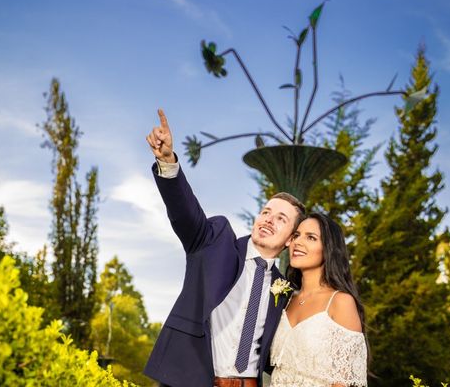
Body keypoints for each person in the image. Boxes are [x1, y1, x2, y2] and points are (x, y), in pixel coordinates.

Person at [144, 109, 306, 387]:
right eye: (266, 212)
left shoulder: (286, 292)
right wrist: (168, 161)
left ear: (291, 238)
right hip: (189, 380)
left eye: (281, 219)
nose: (269, 220)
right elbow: (185, 213)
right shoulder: (215, 240)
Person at [269, 213, 368, 387]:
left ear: (329, 248)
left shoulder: (341, 302)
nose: (298, 242)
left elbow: (342, 383)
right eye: (296, 235)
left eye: (311, 237)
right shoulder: (286, 299)